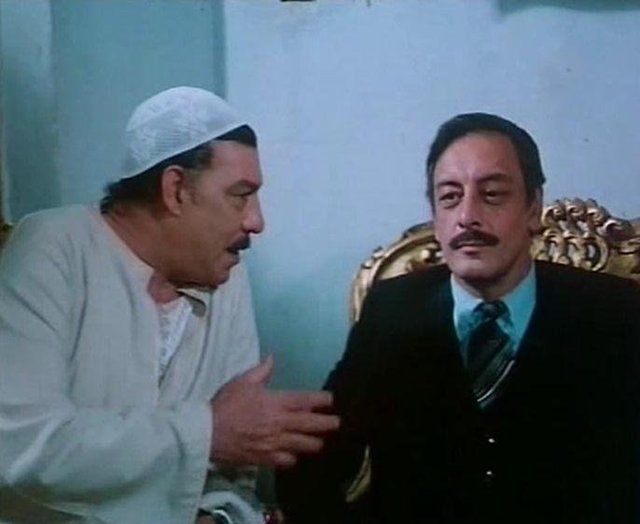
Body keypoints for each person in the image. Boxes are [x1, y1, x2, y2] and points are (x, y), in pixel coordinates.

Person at [277, 113, 640, 523]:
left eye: (492, 194)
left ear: (533, 208)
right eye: (450, 197)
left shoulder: (613, 312)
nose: (467, 216)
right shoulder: (392, 310)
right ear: (435, 217)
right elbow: (316, 463)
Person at [0, 86, 339, 523]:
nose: (256, 221)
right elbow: (21, 446)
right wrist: (207, 433)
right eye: (240, 195)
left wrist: (219, 516)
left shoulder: (226, 273)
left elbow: (233, 471)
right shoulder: (53, 246)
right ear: (175, 188)